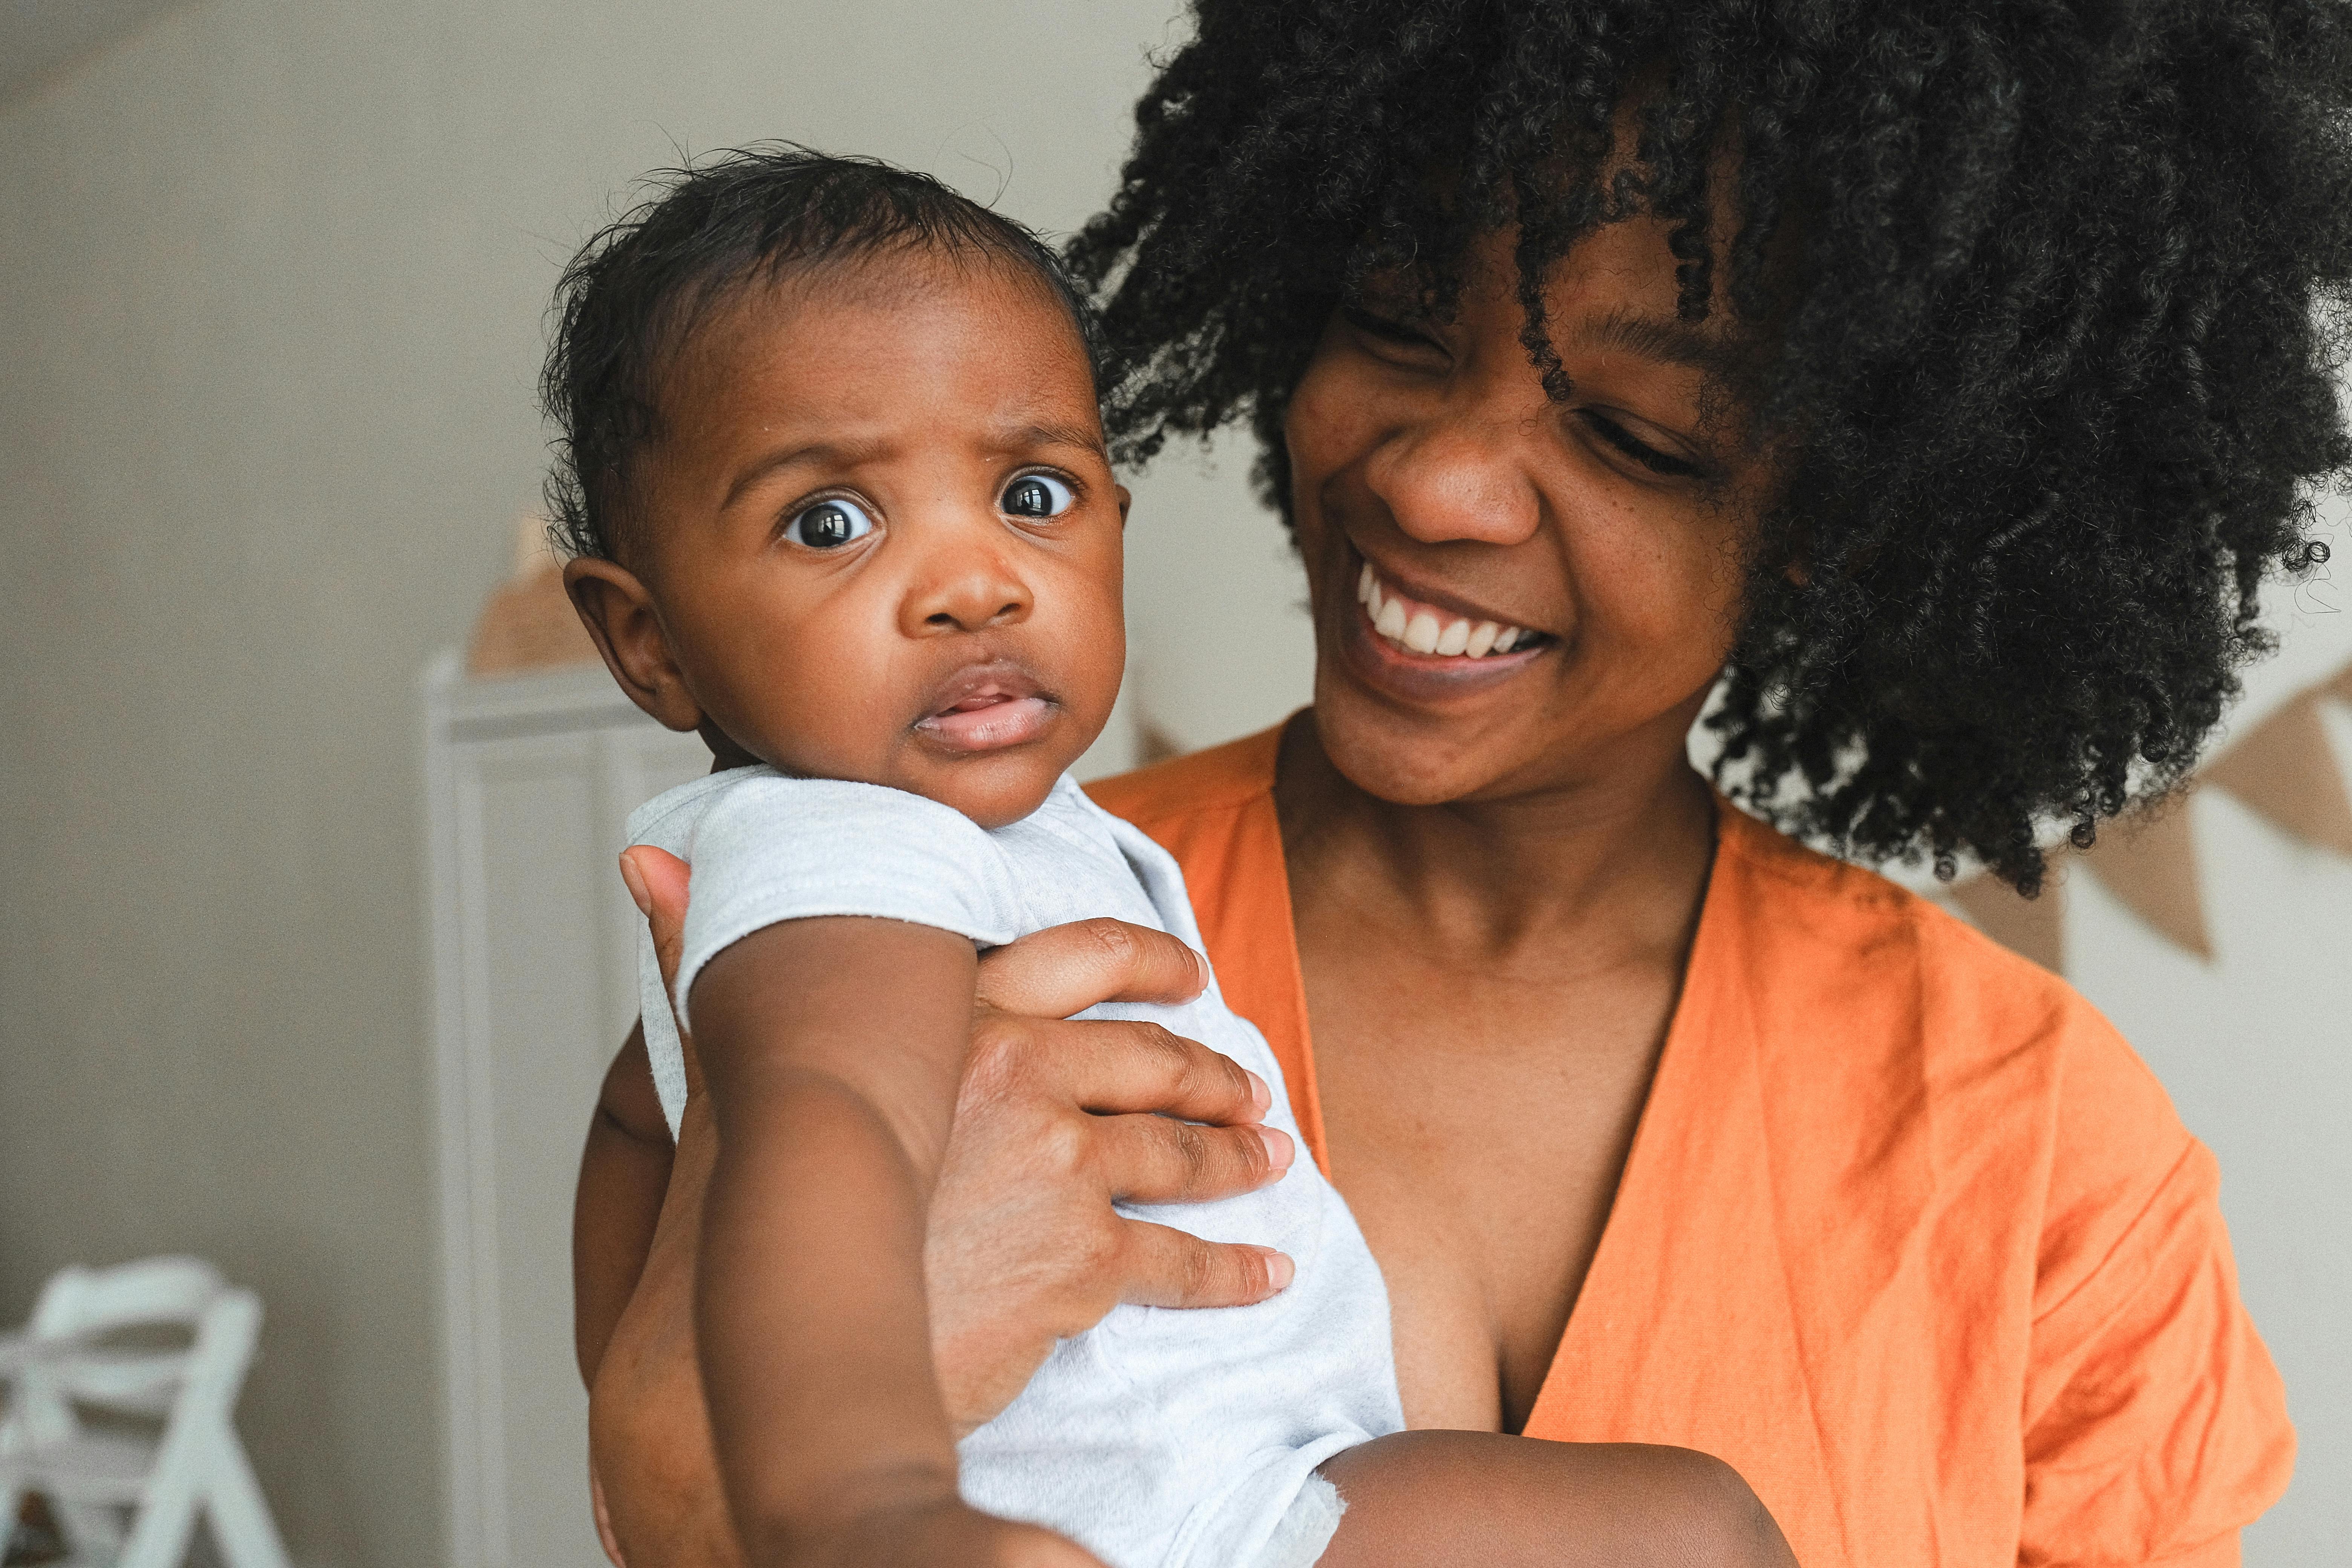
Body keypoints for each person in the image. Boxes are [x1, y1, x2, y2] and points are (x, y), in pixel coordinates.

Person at [577, 2, 2350, 1562]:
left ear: (1829, 517)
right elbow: (683, 1408)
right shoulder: (968, 933)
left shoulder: (2048, 1156)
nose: (1441, 487)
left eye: (1635, 434)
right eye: (1399, 327)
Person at [548, 147, 1796, 1568]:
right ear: (647, 642)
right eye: (832, 521)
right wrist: (863, 1506)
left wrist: (629, 1367)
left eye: (1032, 494)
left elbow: (645, 1125)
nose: (977, 581)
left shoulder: (963, 845)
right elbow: (823, 1116)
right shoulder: (849, 848)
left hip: (1229, 1483)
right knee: (1692, 1535)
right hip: (1160, 1511)